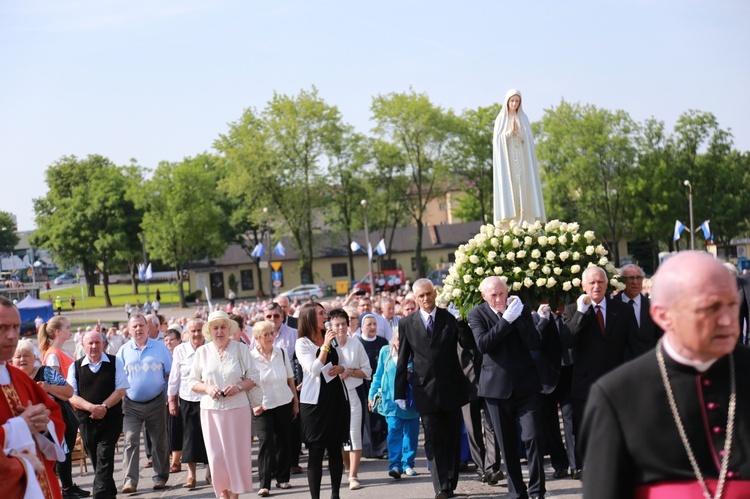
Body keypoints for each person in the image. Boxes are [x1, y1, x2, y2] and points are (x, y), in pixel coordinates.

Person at [580, 251, 750, 497]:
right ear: (663, 316)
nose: (726, 320)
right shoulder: (616, 397)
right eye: (709, 308)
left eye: (732, 304)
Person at [468, 276, 545, 499]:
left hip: (526, 384)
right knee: (507, 444)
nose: (499, 299)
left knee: (533, 437)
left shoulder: (520, 309)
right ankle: (516, 492)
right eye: (493, 295)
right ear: (484, 296)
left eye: (502, 293)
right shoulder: (477, 314)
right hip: (496, 389)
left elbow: (534, 342)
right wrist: (505, 321)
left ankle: (537, 490)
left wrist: (518, 317)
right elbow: (483, 344)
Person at [395, 278, 472, 499]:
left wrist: (461, 321)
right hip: (424, 391)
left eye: (429, 294)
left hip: (451, 389)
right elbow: (403, 359)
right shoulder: (407, 324)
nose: (426, 299)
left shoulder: (449, 318)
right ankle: (441, 487)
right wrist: (399, 392)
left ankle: (450, 482)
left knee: (452, 438)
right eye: (421, 296)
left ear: (435, 293)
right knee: (432, 438)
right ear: (415, 298)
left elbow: (467, 343)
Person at [561, 265, 639, 476]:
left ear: (607, 284)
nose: (597, 286)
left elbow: (633, 344)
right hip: (585, 383)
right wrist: (581, 311)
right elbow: (568, 339)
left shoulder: (621, 309)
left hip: (616, 381)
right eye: (592, 283)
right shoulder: (572, 310)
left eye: (600, 282)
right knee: (587, 430)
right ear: (583, 286)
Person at [189, 310, 260, 499]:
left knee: (235, 456)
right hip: (211, 411)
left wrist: (238, 387)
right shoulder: (202, 352)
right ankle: (222, 494)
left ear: (229, 329)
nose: (219, 331)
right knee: (216, 457)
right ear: (210, 331)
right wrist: (207, 388)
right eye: (215, 328)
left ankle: (234, 495)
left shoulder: (240, 349)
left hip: (237, 409)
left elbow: (254, 376)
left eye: (223, 327)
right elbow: (192, 382)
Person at [0, 295, 66, 499]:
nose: (12, 335)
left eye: (16, 327)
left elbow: (55, 417)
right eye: (2, 328)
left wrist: (43, 424)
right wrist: (20, 427)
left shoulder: (20, 377)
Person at [13, 339, 88, 499]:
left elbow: (69, 391)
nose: (22, 360)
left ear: (34, 357)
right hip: (26, 430)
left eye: (26, 355)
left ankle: (66, 489)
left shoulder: (45, 372)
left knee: (61, 456)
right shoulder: (11, 378)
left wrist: (47, 387)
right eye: (18, 356)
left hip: (58, 423)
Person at [295, 302, 350, 499]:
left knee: (336, 449)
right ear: (309, 317)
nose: (325, 316)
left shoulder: (331, 337)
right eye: (320, 313)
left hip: (336, 398)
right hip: (315, 404)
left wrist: (341, 369)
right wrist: (325, 345)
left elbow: (343, 362)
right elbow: (314, 369)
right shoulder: (302, 343)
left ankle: (335, 494)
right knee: (316, 452)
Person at [68, 331, 129, 499]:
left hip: (111, 420)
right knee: (97, 459)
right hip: (87, 421)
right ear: (83, 344)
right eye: (90, 343)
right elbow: (71, 395)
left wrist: (103, 407)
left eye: (97, 342)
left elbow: (121, 389)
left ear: (103, 344)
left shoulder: (115, 362)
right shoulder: (75, 367)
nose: (94, 346)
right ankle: (110, 493)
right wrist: (91, 408)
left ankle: (100, 495)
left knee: (105, 456)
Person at [116, 314, 173, 493]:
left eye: (141, 325)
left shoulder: (160, 348)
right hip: (131, 405)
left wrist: (170, 398)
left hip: (156, 402)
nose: (138, 329)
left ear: (148, 328)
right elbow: (117, 379)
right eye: (135, 327)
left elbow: (170, 374)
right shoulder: (123, 351)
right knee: (130, 440)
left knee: (159, 442)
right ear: (129, 329)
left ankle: (160, 476)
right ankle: (130, 481)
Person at [250, 321, 298, 496]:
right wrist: (253, 405)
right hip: (263, 405)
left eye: (272, 333)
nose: (271, 337)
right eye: (266, 334)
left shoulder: (282, 353)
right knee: (266, 443)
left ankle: (283, 479)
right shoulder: (251, 357)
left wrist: (295, 402)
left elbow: (290, 379)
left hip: (283, 401)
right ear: (257, 338)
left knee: (284, 441)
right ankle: (264, 484)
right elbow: (248, 384)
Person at [533, 302, 578, 480]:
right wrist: (543, 318)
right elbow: (535, 342)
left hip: (568, 372)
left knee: (570, 418)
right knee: (550, 425)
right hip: (545, 376)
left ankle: (576, 465)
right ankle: (559, 464)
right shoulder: (537, 315)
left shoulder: (571, 313)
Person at [369, 328, 420, 480]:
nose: (400, 343)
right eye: (398, 339)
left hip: (410, 401)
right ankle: (395, 465)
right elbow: (378, 375)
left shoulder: (415, 352)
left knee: (411, 434)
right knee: (394, 432)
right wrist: (371, 395)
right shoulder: (386, 351)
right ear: (393, 339)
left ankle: (408, 464)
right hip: (390, 401)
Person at [329, 308, 371, 490]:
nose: (340, 327)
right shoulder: (327, 346)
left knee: (354, 434)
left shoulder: (356, 344)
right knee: (341, 436)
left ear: (348, 325)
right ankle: (347, 469)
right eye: (336, 324)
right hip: (334, 397)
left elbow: (367, 372)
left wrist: (349, 371)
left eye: (343, 324)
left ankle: (354, 475)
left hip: (354, 393)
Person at [492, 88, 546, 225]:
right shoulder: (501, 119)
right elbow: (498, 141)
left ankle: (525, 220)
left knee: (523, 186)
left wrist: (519, 132)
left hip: (521, 160)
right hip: (508, 160)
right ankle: (512, 221)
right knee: (511, 188)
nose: (514, 104)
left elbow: (528, 140)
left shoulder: (523, 118)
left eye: (517, 101)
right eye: (512, 101)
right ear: (507, 102)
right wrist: (510, 132)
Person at [167, 318, 210, 489]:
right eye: (193, 331)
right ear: (187, 333)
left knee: (209, 437)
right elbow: (174, 376)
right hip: (187, 399)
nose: (196, 334)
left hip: (208, 397)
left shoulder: (211, 348)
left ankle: (211, 472)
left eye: (199, 330)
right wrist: (172, 399)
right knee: (189, 439)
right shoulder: (180, 350)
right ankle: (191, 476)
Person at [613, 264, 663, 359]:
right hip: (619, 366)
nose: (635, 282)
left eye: (639, 278)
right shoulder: (612, 305)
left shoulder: (652, 306)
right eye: (631, 278)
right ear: (622, 280)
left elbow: (660, 337)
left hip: (647, 363)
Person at [357, 313, 389, 460]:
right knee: (368, 417)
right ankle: (369, 449)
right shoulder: (358, 343)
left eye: (374, 324)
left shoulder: (383, 342)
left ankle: (383, 447)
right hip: (364, 383)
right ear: (361, 327)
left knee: (381, 416)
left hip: (381, 383)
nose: (372, 327)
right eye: (368, 324)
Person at [163, 325, 184, 473]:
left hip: (184, 395)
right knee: (171, 429)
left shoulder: (183, 353)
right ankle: (174, 459)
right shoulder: (163, 355)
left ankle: (180, 458)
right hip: (166, 397)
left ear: (179, 340)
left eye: (171, 340)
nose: (168, 343)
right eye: (166, 340)